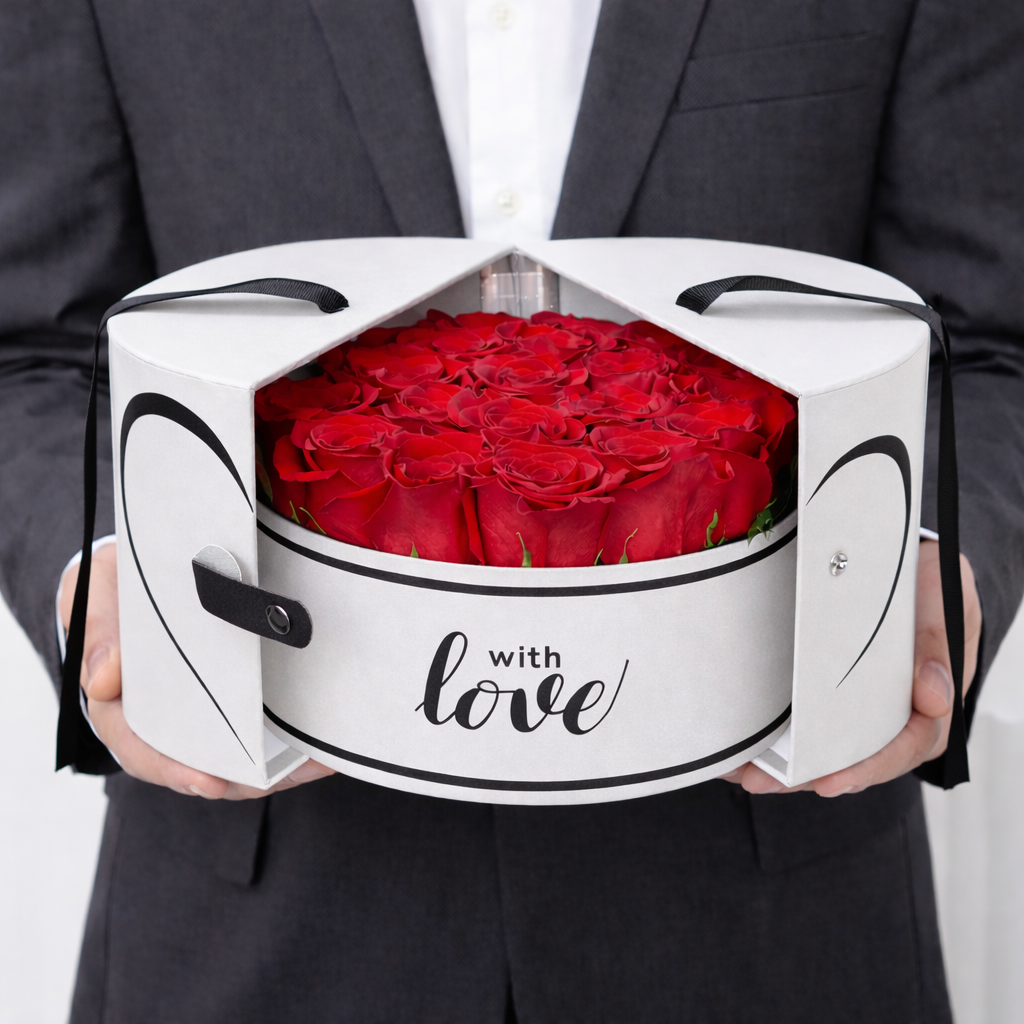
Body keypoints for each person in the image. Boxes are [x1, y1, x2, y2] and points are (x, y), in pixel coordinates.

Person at [1, 1, 1021, 1021]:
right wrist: (100, 576)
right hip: (256, 923)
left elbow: (984, 340)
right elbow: (34, 347)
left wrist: (926, 556)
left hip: (766, 927)